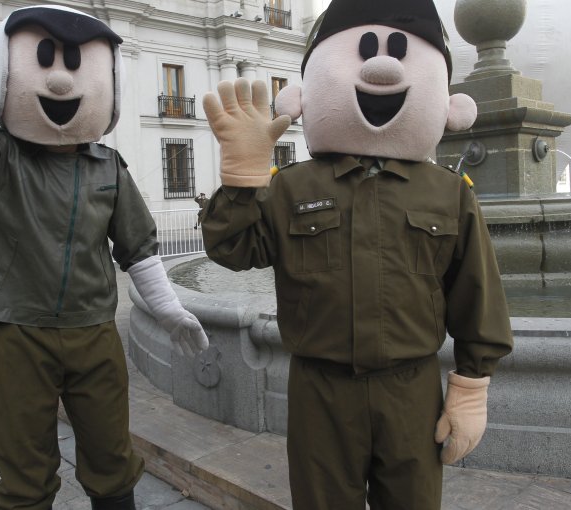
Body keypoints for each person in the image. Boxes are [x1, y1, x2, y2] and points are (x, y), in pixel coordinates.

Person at [0, 2, 209, 509]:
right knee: (24, 465)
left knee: (110, 456)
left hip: (94, 333)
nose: (61, 82)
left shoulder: (109, 168)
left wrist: (168, 308)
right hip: (16, 334)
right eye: (42, 60)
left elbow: (138, 247)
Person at [201, 0, 513, 508]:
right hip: (321, 391)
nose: (381, 68)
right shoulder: (291, 188)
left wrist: (471, 386)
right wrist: (241, 179)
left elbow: (477, 294)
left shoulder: (449, 193)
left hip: (410, 391)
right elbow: (233, 250)